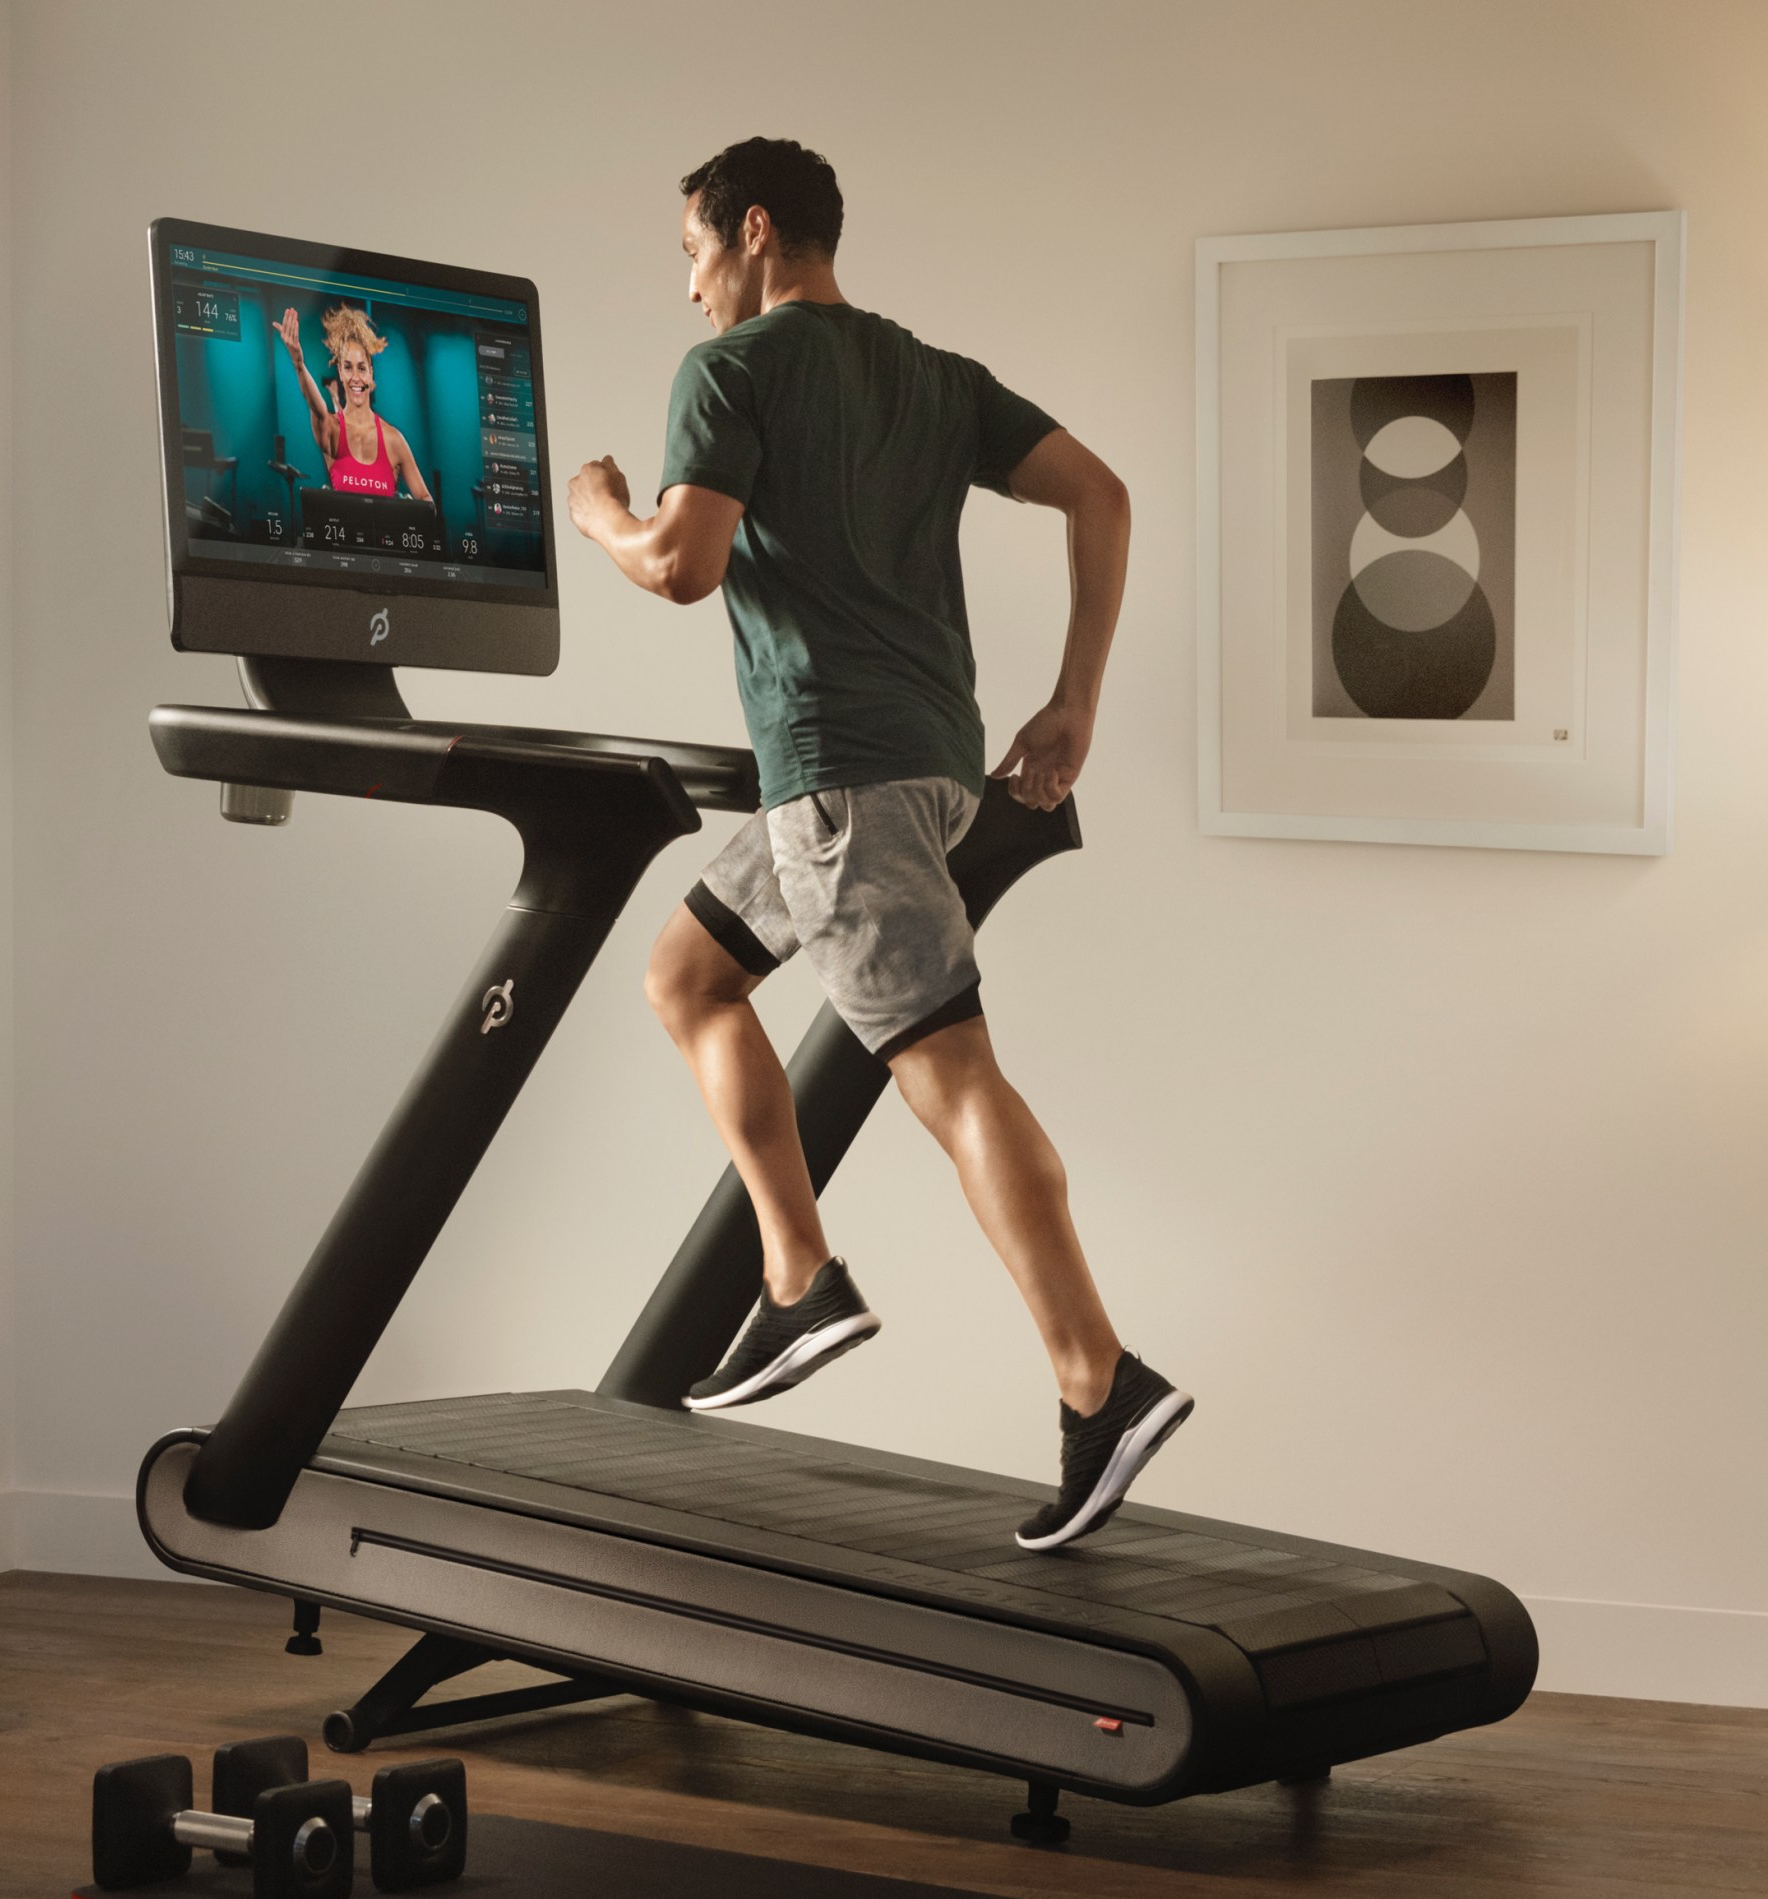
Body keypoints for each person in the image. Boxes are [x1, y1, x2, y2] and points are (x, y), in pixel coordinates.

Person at [565, 137, 1189, 1551]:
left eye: (690, 253)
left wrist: (602, 509)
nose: (686, 290)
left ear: (755, 231)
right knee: (685, 976)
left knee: (951, 1074)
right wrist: (1073, 696)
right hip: (905, 771)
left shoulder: (729, 372)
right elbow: (1102, 492)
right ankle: (799, 1277)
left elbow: (682, 564)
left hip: (838, 788)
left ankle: (1101, 1381)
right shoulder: (927, 374)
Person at [277, 303, 434, 502]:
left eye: (361, 368)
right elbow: (318, 409)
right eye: (348, 367)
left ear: (370, 373)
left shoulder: (394, 440)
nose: (355, 377)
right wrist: (299, 365)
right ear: (340, 373)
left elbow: (426, 500)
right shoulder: (332, 430)